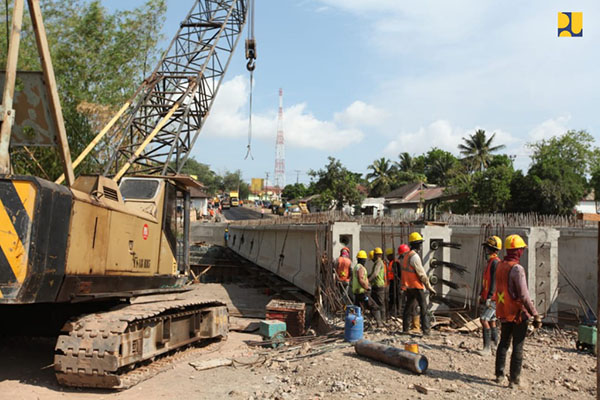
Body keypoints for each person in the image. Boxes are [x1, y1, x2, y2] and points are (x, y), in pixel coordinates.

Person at [494, 234, 542, 388]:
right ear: (518, 251)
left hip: (503, 310)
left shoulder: (500, 265)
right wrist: (535, 314)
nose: (522, 252)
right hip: (517, 313)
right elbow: (524, 295)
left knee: (503, 342)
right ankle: (514, 380)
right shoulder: (517, 269)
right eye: (521, 249)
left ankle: (499, 375)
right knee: (517, 346)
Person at [401, 232, 436, 335]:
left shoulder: (407, 256)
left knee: (408, 307)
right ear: (415, 244)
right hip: (416, 286)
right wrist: (429, 287)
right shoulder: (415, 257)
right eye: (419, 243)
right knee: (423, 307)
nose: (421, 246)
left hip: (408, 286)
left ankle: (405, 329)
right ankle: (426, 330)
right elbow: (422, 274)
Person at [478, 236, 502, 356]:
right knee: (492, 321)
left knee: (484, 319)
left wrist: (489, 296)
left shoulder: (495, 263)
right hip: (490, 297)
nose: (486, 251)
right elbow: (486, 281)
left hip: (493, 298)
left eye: (487, 248)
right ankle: (495, 344)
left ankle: (487, 347)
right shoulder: (491, 262)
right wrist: (481, 294)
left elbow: (494, 281)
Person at [352, 250, 382, 326]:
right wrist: (367, 287)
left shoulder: (355, 267)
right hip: (363, 292)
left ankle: (356, 324)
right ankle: (379, 323)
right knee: (374, 306)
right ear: (364, 260)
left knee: (357, 308)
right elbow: (361, 279)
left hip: (357, 292)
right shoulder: (361, 268)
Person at [368, 247, 386, 326]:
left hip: (379, 285)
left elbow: (375, 274)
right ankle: (377, 319)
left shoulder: (379, 263)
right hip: (375, 285)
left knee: (380, 303)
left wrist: (368, 281)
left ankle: (382, 320)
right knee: (374, 303)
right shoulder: (377, 263)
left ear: (376, 255)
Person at [384, 248, 396, 319]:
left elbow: (397, 275)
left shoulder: (395, 263)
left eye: (388, 256)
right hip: (391, 282)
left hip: (394, 283)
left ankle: (394, 312)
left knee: (394, 298)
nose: (387, 258)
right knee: (391, 298)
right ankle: (391, 312)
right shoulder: (390, 263)